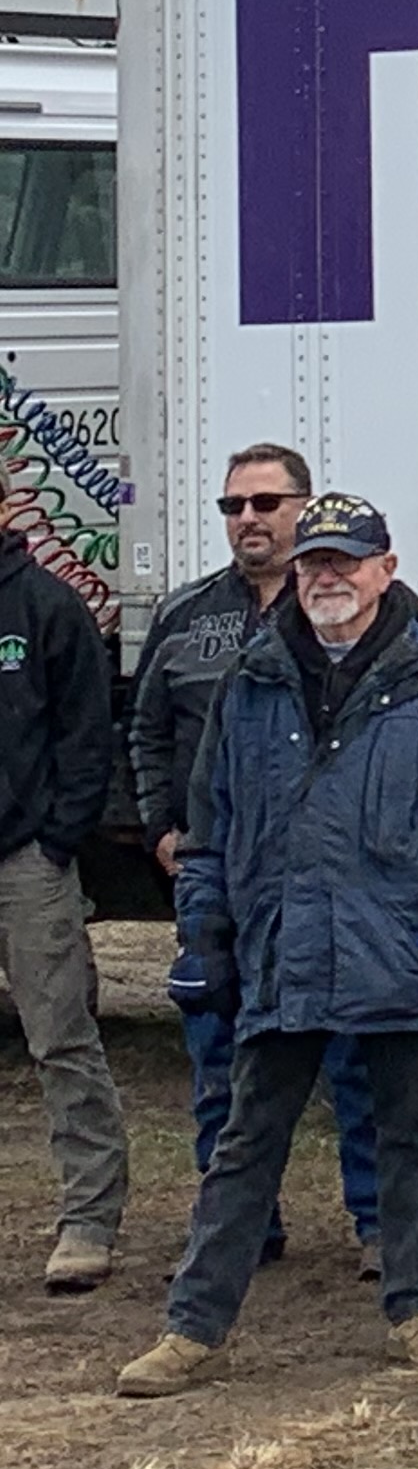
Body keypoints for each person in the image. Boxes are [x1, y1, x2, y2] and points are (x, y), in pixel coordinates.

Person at [117, 492, 418, 1396]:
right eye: (313, 564)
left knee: (412, 1137)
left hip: (398, 949)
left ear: (387, 570)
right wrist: (206, 934)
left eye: (346, 561)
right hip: (282, 949)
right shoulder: (251, 683)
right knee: (244, 1142)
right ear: (295, 577)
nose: (328, 578)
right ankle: (192, 1328)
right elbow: (211, 821)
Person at [132, 443, 375, 1274]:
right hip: (218, 875)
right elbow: (147, 727)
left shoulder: (343, 610)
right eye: (233, 507)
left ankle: (378, 1226)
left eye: (266, 504)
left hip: (325, 878)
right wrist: (163, 826)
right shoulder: (186, 615)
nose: (248, 521)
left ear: (304, 509)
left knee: (351, 1055)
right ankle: (238, 1230)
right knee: (216, 1055)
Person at [0, 466, 122, 1291]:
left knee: (60, 1040)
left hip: (24, 864)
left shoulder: (45, 606)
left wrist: (54, 842)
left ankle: (88, 1221)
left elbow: (88, 734)